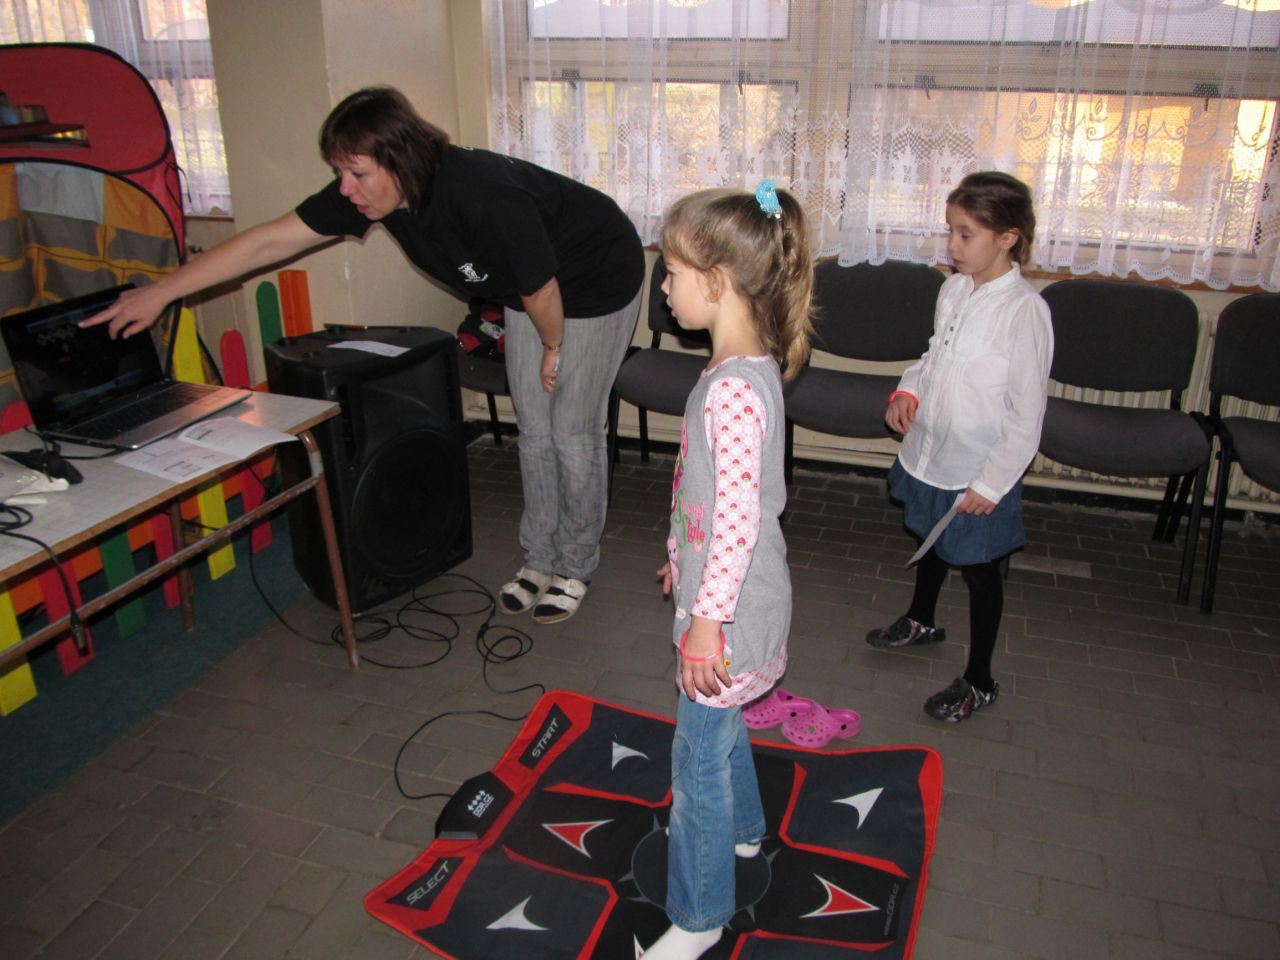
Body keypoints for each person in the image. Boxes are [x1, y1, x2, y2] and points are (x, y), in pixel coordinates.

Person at [84, 86, 644, 624]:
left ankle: (574, 565)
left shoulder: (483, 195)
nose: (346, 189)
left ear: (400, 161)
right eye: (339, 173)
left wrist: (554, 347)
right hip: (532, 290)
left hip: (593, 277)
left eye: (357, 173)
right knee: (536, 429)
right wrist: (162, 291)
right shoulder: (382, 191)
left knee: (572, 430)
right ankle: (539, 556)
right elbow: (269, 240)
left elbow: (542, 290)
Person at [649, 180, 813, 960]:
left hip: (731, 613)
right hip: (729, 592)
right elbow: (712, 494)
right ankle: (746, 830)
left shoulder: (732, 393)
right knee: (722, 730)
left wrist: (706, 624)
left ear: (716, 283)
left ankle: (699, 914)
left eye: (672, 272)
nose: (663, 287)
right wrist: (679, 554)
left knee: (696, 761)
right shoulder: (747, 366)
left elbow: (739, 524)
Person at [866, 171, 1053, 723]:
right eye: (950, 230)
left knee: (979, 568)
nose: (952, 244)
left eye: (966, 234)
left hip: (979, 468)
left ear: (1008, 238)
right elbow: (934, 356)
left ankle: (980, 679)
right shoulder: (953, 288)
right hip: (932, 449)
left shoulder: (1024, 312)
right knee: (929, 533)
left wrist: (991, 484)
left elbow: (1028, 413)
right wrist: (909, 388)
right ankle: (921, 619)